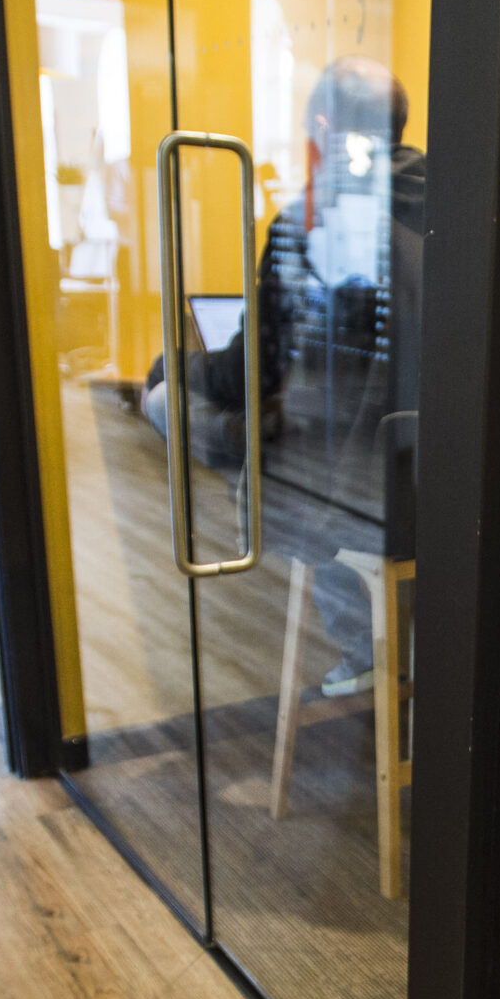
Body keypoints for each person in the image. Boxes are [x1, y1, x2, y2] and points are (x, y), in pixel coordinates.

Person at [143, 55, 424, 696]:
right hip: (433, 482)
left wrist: (174, 365)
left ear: (323, 126)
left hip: (353, 489)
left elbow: (246, 374)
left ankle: (365, 641)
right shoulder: (457, 207)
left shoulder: (311, 219)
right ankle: (377, 634)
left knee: (165, 404)